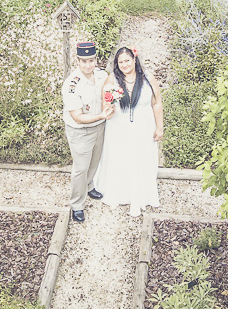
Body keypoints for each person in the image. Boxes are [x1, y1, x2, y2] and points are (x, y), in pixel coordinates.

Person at [95, 45, 163, 217]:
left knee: (141, 157)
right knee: (121, 158)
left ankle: (141, 193)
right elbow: (105, 102)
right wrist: (108, 109)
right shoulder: (112, 80)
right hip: (119, 127)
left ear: (134, 60)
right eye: (120, 62)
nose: (124, 64)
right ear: (116, 64)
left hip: (143, 126)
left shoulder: (148, 78)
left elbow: (156, 103)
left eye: (127, 60)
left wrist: (159, 127)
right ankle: (121, 192)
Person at [61, 41, 114, 223]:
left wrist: (110, 104)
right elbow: (77, 117)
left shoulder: (101, 76)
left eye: (91, 60)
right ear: (77, 61)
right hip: (80, 132)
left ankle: (90, 185)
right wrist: (102, 115)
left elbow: (108, 93)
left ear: (95, 59)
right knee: (80, 168)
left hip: (99, 126)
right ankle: (77, 204)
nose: (88, 65)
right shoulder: (72, 85)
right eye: (83, 61)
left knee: (94, 162)